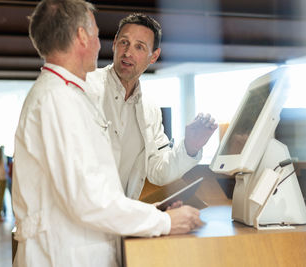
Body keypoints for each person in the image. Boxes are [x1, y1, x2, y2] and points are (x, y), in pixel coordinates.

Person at [12, 1, 202, 267]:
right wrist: (164, 221)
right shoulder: (58, 99)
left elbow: (97, 190)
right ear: (81, 36)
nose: (101, 42)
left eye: (139, 46)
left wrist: (149, 213)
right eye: (96, 31)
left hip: (85, 243)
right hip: (63, 253)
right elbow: (88, 199)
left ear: (153, 55)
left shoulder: (64, 94)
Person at [87, 13, 218, 200]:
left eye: (139, 47)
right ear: (115, 43)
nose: (128, 53)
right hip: (77, 216)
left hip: (117, 218)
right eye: (124, 42)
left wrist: (190, 147)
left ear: (153, 56)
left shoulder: (150, 110)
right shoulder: (85, 88)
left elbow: (159, 171)